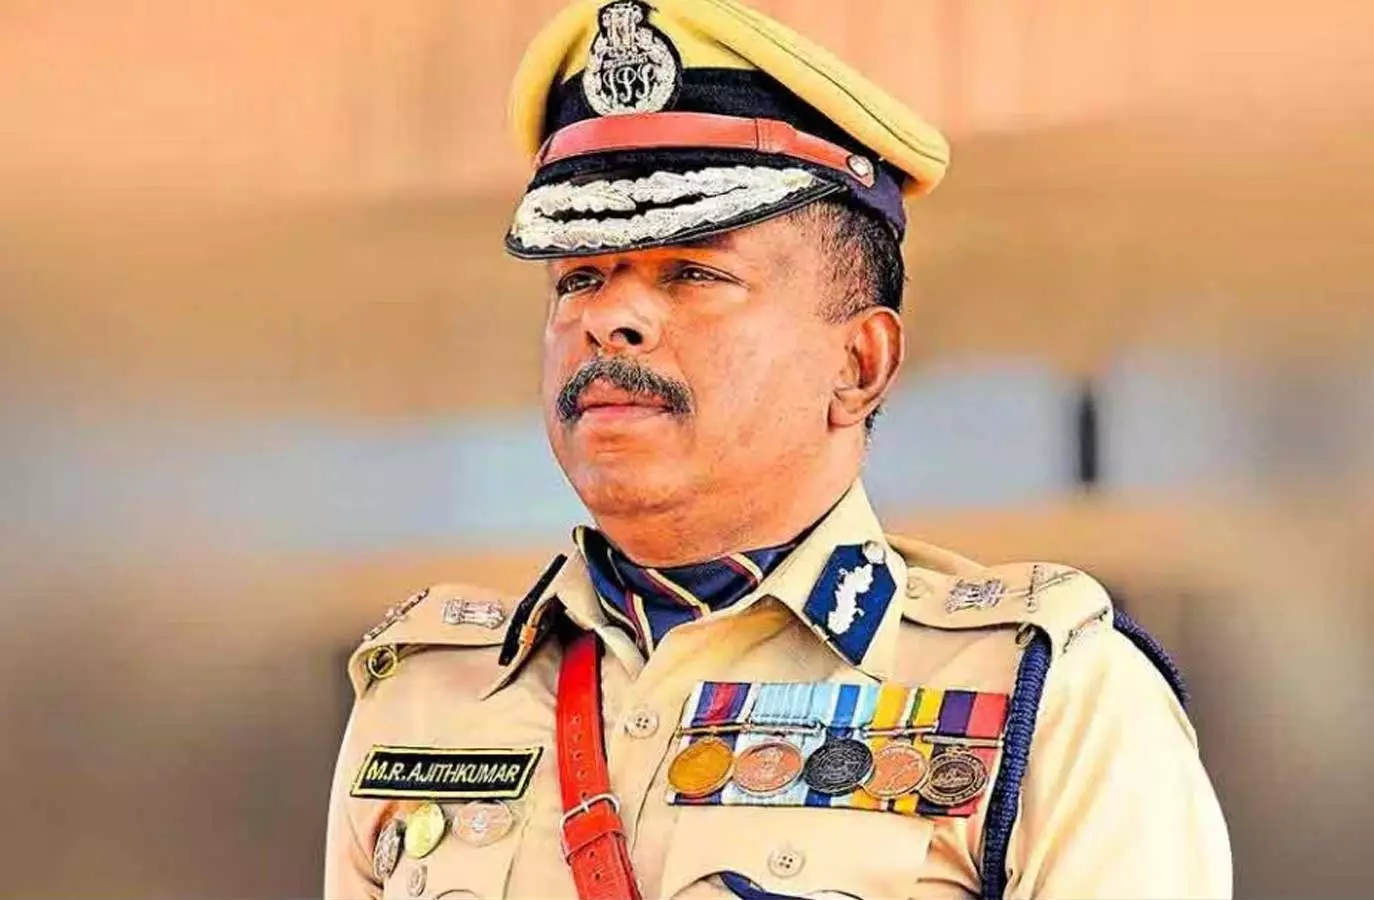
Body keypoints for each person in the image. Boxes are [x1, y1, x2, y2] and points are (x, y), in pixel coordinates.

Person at [323, 1, 1233, 897]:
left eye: (693, 272)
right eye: (580, 278)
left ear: (859, 363)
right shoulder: (423, 700)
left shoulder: (1048, 698)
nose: (610, 317)